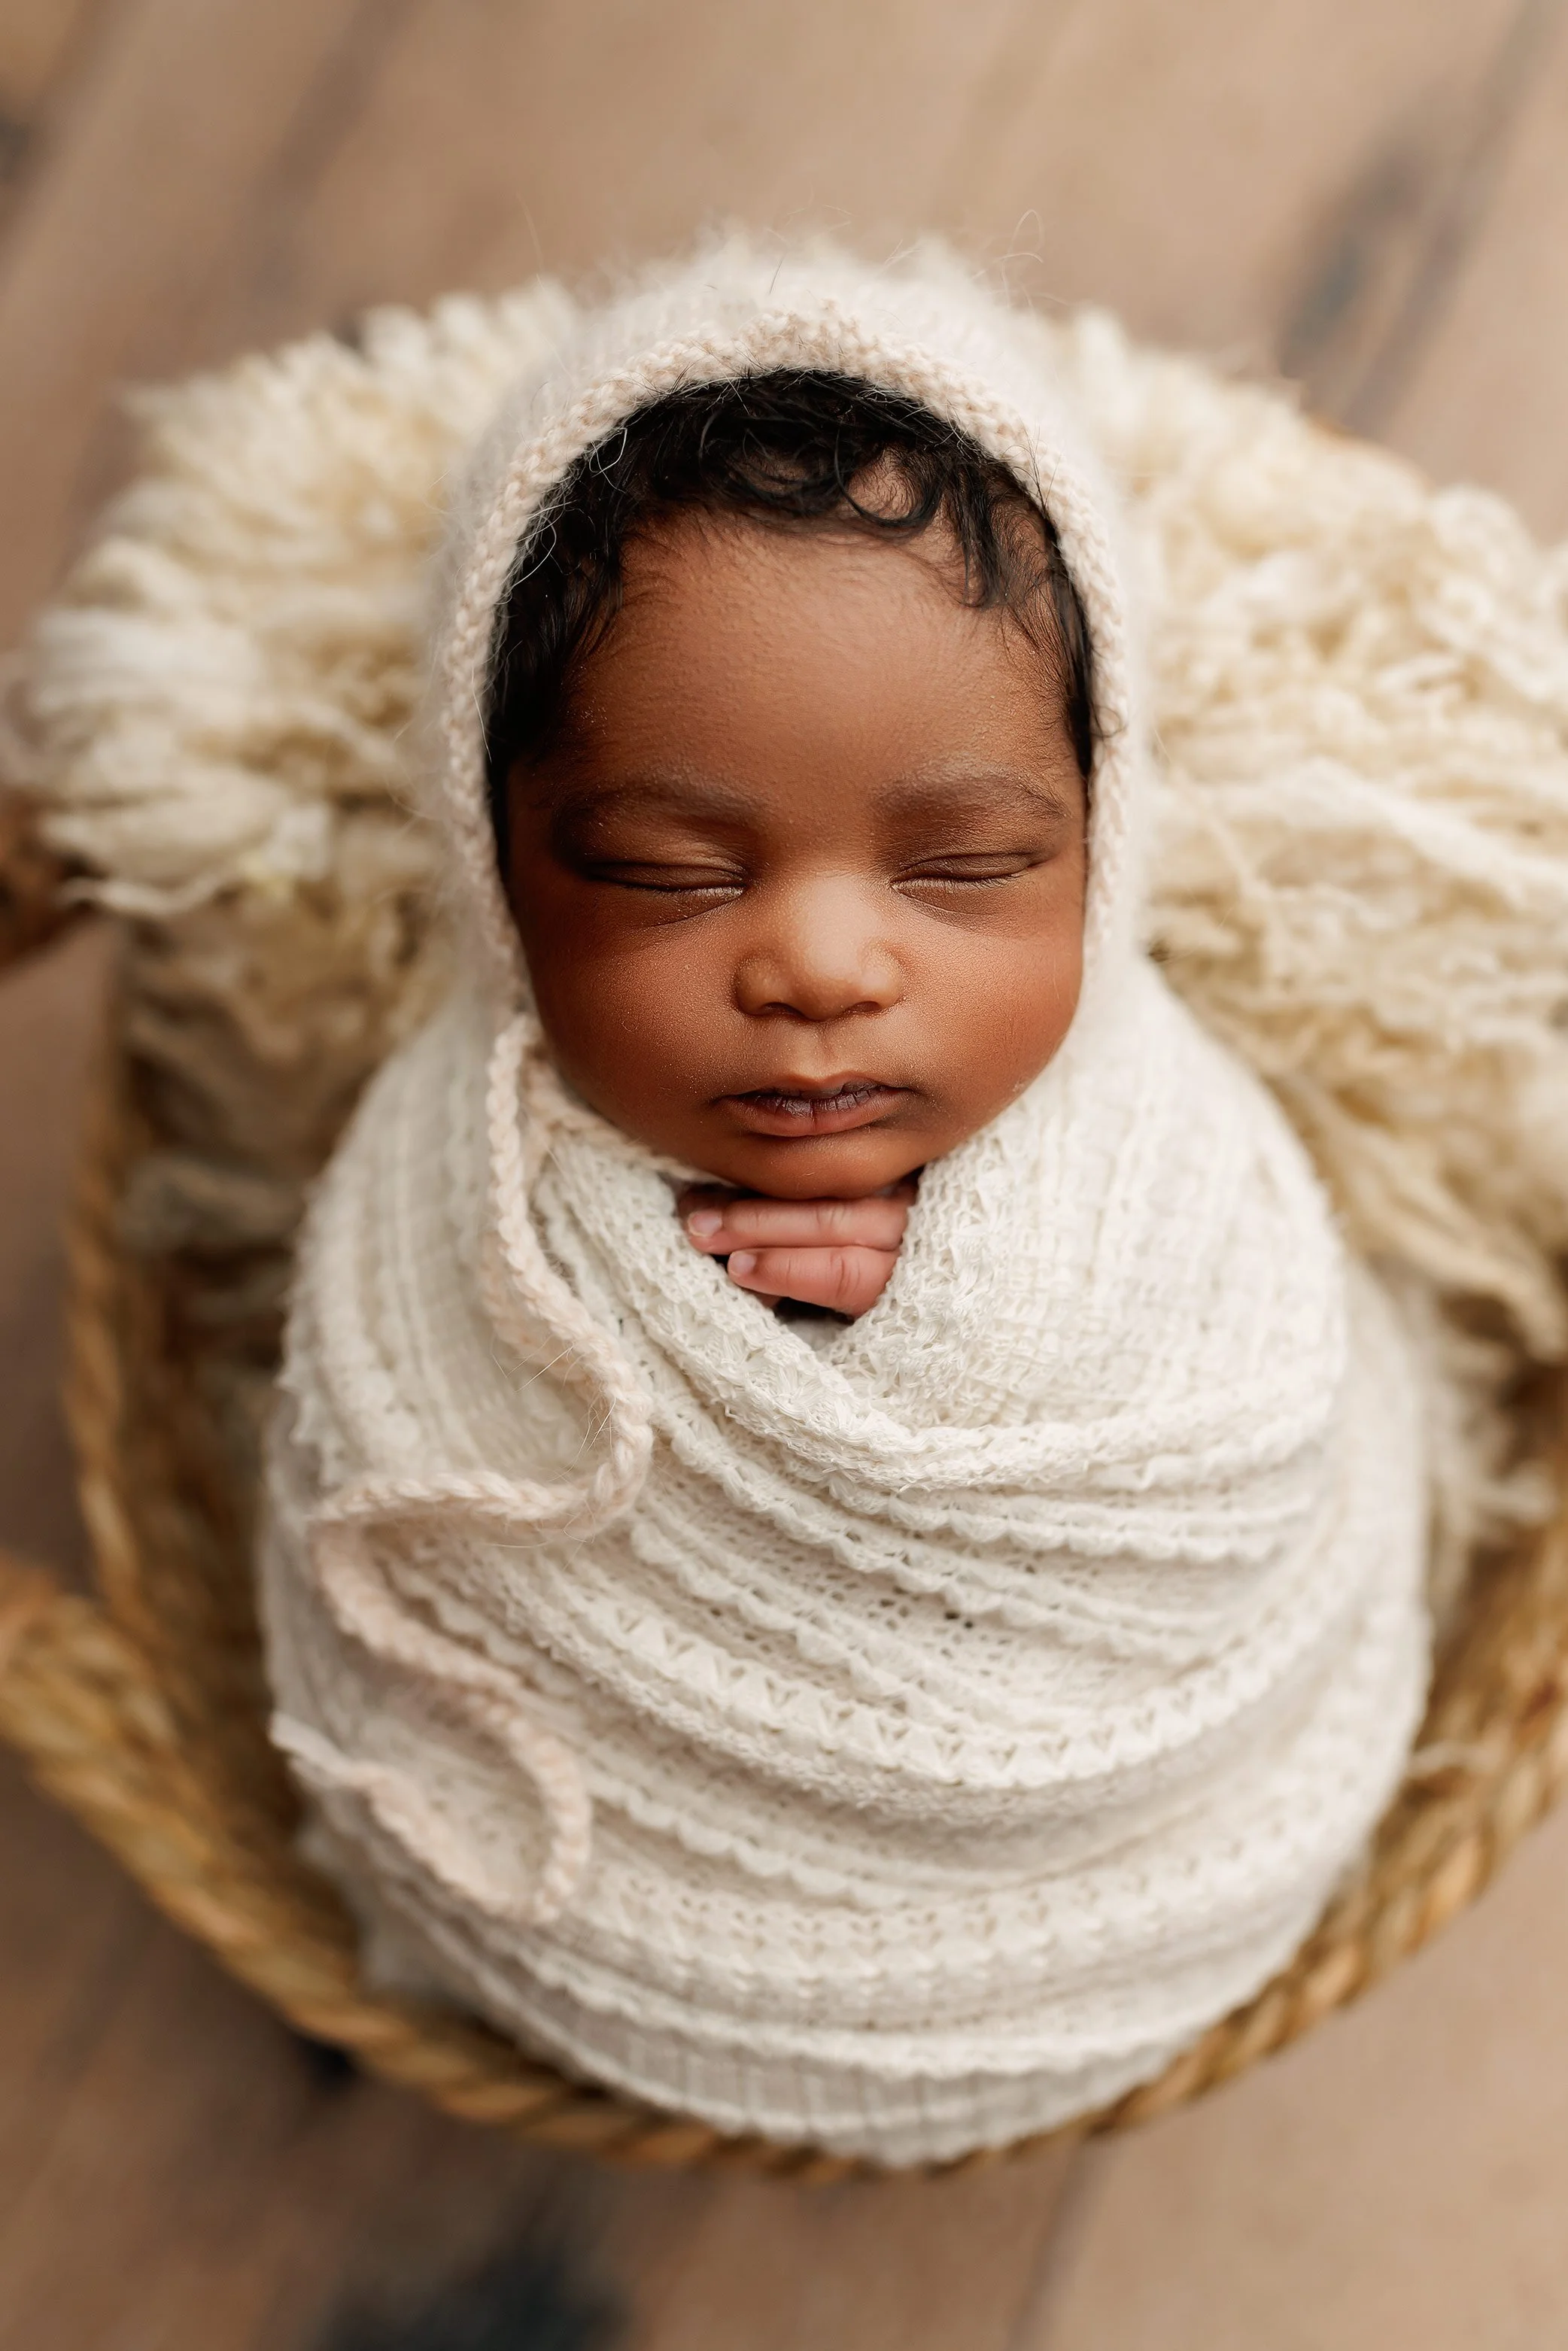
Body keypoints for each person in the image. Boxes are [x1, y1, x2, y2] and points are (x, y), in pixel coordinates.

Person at [260, 240, 1428, 2164]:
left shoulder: (1169, 1150)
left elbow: (1260, 1422)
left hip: (1141, 1835)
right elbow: (396, 1522)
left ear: (1097, 841)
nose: (816, 960)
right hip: (649, 1910)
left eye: (960, 867)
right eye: (659, 869)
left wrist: (978, 1306)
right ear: (496, 870)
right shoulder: (439, 1199)